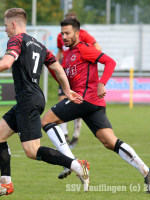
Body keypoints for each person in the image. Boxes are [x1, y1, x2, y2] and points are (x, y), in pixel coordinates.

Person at [0, 8, 90, 197]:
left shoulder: (16, 40)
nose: (5, 29)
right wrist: (67, 90)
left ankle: (76, 165)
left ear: (14, 24)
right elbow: (57, 68)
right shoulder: (39, 44)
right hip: (32, 98)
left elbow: (7, 63)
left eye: (6, 25)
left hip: (27, 100)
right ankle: (6, 184)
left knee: (32, 151)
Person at [42, 17, 150, 194]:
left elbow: (110, 62)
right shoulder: (67, 56)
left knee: (46, 120)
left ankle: (71, 162)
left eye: (67, 33)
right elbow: (61, 78)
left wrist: (102, 82)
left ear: (77, 33)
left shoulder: (84, 48)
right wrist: (49, 64)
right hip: (92, 103)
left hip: (85, 99)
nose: (64, 37)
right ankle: (147, 171)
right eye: (62, 34)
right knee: (109, 141)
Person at [56, 12, 101, 149]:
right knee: (62, 100)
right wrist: (54, 63)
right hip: (65, 72)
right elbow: (59, 52)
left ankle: (76, 135)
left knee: (77, 102)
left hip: (78, 74)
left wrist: (84, 59)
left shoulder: (84, 35)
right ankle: (65, 134)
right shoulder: (60, 36)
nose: (65, 36)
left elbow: (98, 48)